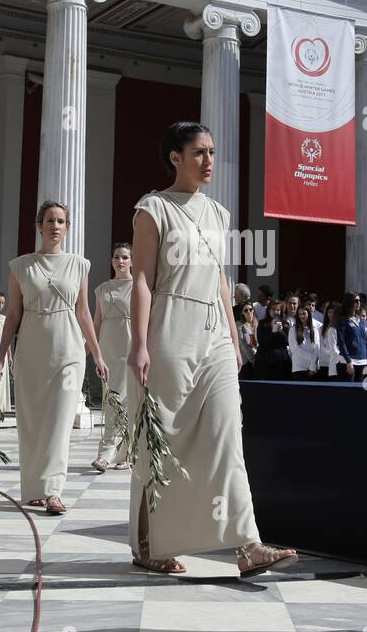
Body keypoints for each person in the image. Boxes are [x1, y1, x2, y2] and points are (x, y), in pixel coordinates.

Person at [126, 122, 296, 577]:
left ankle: (247, 545)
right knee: (159, 438)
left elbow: (221, 280)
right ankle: (147, 543)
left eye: (212, 152)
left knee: (227, 435)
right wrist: (139, 344)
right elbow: (141, 280)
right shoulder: (153, 208)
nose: (208, 161)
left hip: (215, 334)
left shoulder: (219, 214)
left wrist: (235, 338)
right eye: (199, 152)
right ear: (175, 157)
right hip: (169, 329)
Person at [0, 202, 107, 515]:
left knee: (59, 422)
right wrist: (1, 356)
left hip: (68, 350)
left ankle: (53, 489)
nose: (55, 226)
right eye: (50, 220)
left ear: (67, 227)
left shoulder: (80, 265)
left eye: (61, 221)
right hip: (31, 349)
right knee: (31, 421)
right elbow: (13, 315)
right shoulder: (20, 266)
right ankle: (33, 489)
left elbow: (84, 313)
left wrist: (97, 354)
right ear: (39, 225)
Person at [93, 244, 134, 471]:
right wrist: (91, 350)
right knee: (112, 400)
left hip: (131, 348)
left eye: (125, 257)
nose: (120, 261)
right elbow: (96, 321)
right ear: (112, 261)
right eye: (117, 257)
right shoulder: (102, 289)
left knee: (127, 402)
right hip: (108, 349)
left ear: (132, 261)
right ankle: (114, 453)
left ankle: (116, 454)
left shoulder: (139, 287)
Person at [287, 305, 319, 379]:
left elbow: (317, 347)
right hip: (299, 367)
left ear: (309, 314)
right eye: (299, 314)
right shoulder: (293, 329)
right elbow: (294, 349)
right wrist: (312, 358)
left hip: (313, 368)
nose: (301, 316)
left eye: (304, 314)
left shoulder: (314, 329)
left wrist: (312, 365)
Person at [236, 302, 259, 379]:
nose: (249, 312)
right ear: (242, 313)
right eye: (246, 310)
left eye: (250, 309)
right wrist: (252, 359)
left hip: (258, 359)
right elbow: (242, 344)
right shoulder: (240, 325)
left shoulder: (258, 323)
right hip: (246, 362)